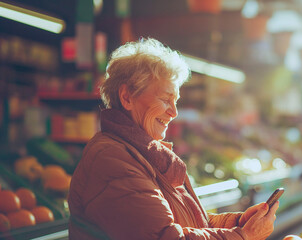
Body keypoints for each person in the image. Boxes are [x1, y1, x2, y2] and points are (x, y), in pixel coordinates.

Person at [68, 38, 279, 240]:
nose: (174, 112)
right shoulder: (112, 160)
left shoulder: (146, 152)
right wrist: (245, 236)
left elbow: (191, 224)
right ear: (127, 97)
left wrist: (239, 223)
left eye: (175, 101)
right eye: (165, 99)